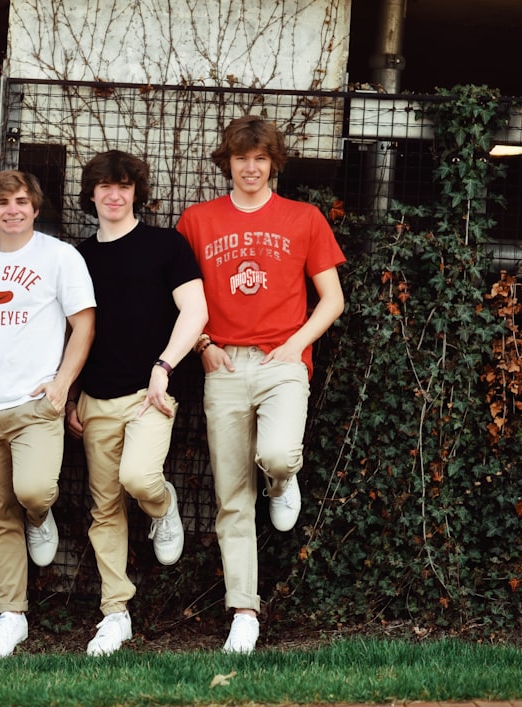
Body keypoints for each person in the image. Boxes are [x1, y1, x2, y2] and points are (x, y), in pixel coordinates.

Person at [176, 115, 345, 654]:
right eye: (241, 158)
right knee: (231, 497)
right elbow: (181, 300)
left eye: (261, 159)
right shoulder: (198, 221)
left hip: (281, 362)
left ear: (274, 163)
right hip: (223, 366)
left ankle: (282, 480)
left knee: (276, 454)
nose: (251, 168)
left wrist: (296, 345)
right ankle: (244, 612)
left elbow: (333, 299)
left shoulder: (304, 217)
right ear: (227, 161)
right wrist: (203, 346)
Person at [0, 170, 96, 659]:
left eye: (20, 201)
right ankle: (12, 615)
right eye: (2, 203)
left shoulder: (59, 256)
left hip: (35, 405)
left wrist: (61, 384)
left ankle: (41, 515)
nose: (12, 210)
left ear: (35, 207)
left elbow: (83, 324)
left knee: (33, 491)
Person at [65, 150, 208, 656]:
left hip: (151, 394)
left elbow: (195, 311)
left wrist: (164, 366)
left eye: (123, 186)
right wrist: (68, 394)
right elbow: (71, 332)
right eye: (104, 186)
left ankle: (163, 505)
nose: (113, 194)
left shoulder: (166, 245)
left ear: (135, 193)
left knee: (139, 479)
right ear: (92, 194)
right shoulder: (77, 258)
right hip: (96, 398)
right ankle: (115, 614)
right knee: (104, 511)